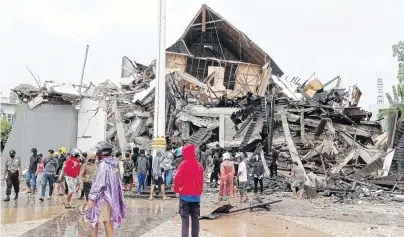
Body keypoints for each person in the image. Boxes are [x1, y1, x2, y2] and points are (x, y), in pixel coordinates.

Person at [86, 142, 125, 237]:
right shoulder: (113, 163)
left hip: (102, 197)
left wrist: (91, 198)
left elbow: (99, 183)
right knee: (106, 219)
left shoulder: (103, 165)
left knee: (97, 219)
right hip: (110, 197)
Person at [174, 144, 204, 237]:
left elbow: (177, 178)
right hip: (196, 197)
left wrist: (177, 189)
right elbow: (201, 181)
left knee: (185, 220)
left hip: (184, 197)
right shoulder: (199, 166)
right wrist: (199, 192)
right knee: (195, 219)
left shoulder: (183, 164)